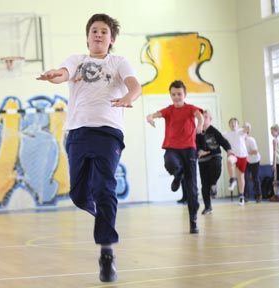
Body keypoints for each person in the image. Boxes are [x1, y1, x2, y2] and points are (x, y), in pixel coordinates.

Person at [37, 13, 142, 282]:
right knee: (79, 194)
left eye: (104, 31)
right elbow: (63, 73)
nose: (98, 34)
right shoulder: (77, 60)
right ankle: (100, 212)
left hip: (108, 132)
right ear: (87, 36)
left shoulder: (118, 62)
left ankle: (106, 254)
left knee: (105, 188)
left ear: (111, 39)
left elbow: (134, 85)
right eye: (94, 30)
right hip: (78, 132)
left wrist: (129, 97)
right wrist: (54, 75)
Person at [146, 80, 204, 234]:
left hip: (189, 150)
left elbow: (200, 115)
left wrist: (199, 124)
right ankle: (178, 175)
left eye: (179, 94)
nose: (176, 97)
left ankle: (193, 220)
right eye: (173, 94)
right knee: (169, 162)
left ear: (184, 94)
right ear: (170, 95)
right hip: (172, 147)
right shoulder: (169, 110)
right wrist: (150, 117)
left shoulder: (190, 108)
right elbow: (156, 114)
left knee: (192, 188)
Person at [196, 110, 232, 215]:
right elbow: (194, 144)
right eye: (202, 117)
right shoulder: (197, 132)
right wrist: (198, 151)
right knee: (204, 184)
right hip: (202, 160)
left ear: (210, 120)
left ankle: (213, 183)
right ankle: (208, 207)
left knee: (216, 167)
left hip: (215, 156)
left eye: (206, 117)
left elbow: (223, 141)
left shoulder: (213, 131)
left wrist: (229, 150)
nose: (204, 119)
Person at [224, 118, 248, 206]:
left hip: (242, 156)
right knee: (229, 160)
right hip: (234, 155)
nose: (233, 124)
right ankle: (232, 179)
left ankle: (241, 196)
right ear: (229, 125)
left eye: (234, 123)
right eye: (231, 123)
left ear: (238, 124)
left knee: (241, 177)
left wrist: (247, 125)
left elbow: (247, 129)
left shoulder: (241, 131)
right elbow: (218, 136)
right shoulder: (227, 134)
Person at [243, 122, 262, 203]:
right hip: (247, 161)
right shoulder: (240, 140)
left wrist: (246, 153)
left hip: (255, 161)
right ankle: (245, 197)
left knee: (255, 178)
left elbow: (256, 151)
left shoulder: (251, 140)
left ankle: (258, 196)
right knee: (244, 178)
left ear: (247, 132)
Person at [270, 124, 279, 201]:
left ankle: (276, 196)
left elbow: (275, 152)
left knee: (275, 180)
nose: (271, 132)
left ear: (277, 131)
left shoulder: (275, 140)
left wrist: (274, 164)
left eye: (272, 131)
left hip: (278, 162)